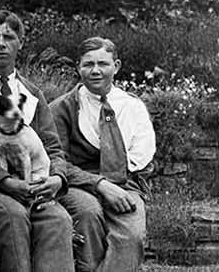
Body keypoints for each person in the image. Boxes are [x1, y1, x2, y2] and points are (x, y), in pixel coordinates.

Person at [0, 11, 76, 272]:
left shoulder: (31, 92)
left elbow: (52, 146)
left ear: (20, 42)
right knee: (14, 216)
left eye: (8, 37)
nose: (0, 43)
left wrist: (57, 178)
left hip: (33, 185)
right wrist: (5, 181)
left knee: (57, 219)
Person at [49, 37, 152, 272]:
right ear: (78, 67)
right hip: (78, 183)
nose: (95, 71)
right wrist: (99, 183)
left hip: (125, 184)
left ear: (116, 66)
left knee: (132, 236)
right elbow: (57, 161)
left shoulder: (132, 106)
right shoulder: (61, 108)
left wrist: (119, 180)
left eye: (103, 64)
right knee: (88, 213)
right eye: (88, 64)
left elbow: (143, 154)